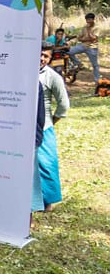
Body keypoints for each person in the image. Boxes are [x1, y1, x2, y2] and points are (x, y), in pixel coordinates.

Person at [36, 46, 70, 214]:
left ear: (49, 59)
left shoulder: (52, 77)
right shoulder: (22, 72)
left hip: (44, 127)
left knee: (47, 164)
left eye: (46, 56)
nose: (41, 58)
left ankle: (48, 202)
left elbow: (64, 104)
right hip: (22, 127)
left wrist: (51, 122)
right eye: (39, 54)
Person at [69, 12, 101, 90]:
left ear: (93, 19)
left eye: (90, 19)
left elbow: (93, 38)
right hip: (82, 45)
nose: (88, 21)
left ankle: (97, 81)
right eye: (87, 20)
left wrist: (89, 30)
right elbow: (79, 37)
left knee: (95, 65)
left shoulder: (97, 27)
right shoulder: (84, 27)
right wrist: (84, 39)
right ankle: (78, 63)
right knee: (69, 52)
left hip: (92, 48)